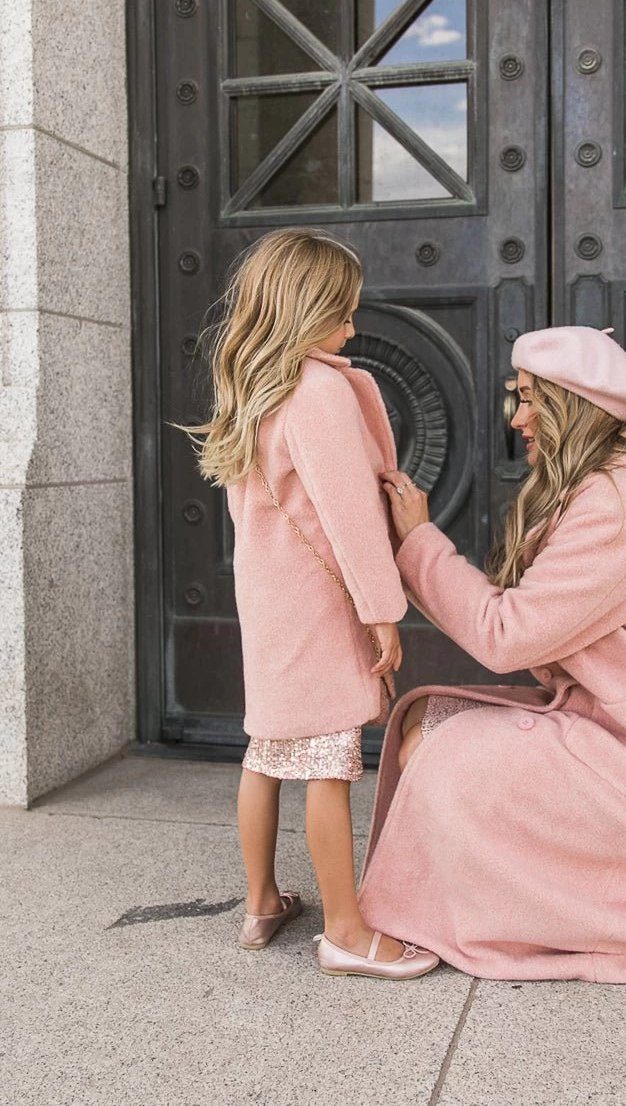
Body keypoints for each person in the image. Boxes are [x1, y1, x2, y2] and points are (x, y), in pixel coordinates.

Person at [361, 325, 626, 983]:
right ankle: (512, 902)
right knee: (425, 726)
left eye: (530, 399)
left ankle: (549, 912)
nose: (517, 418)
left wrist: (419, 540)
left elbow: (505, 636)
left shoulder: (616, 506)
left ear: (571, 406)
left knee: (443, 755)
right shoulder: (610, 487)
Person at [185, 228, 438, 980]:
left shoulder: (253, 390)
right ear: (308, 309)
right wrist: (381, 607)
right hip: (320, 603)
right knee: (329, 761)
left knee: (265, 749)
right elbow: (348, 516)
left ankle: (261, 902)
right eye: (344, 313)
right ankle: (345, 931)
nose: (353, 329)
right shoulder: (318, 391)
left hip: (269, 601)